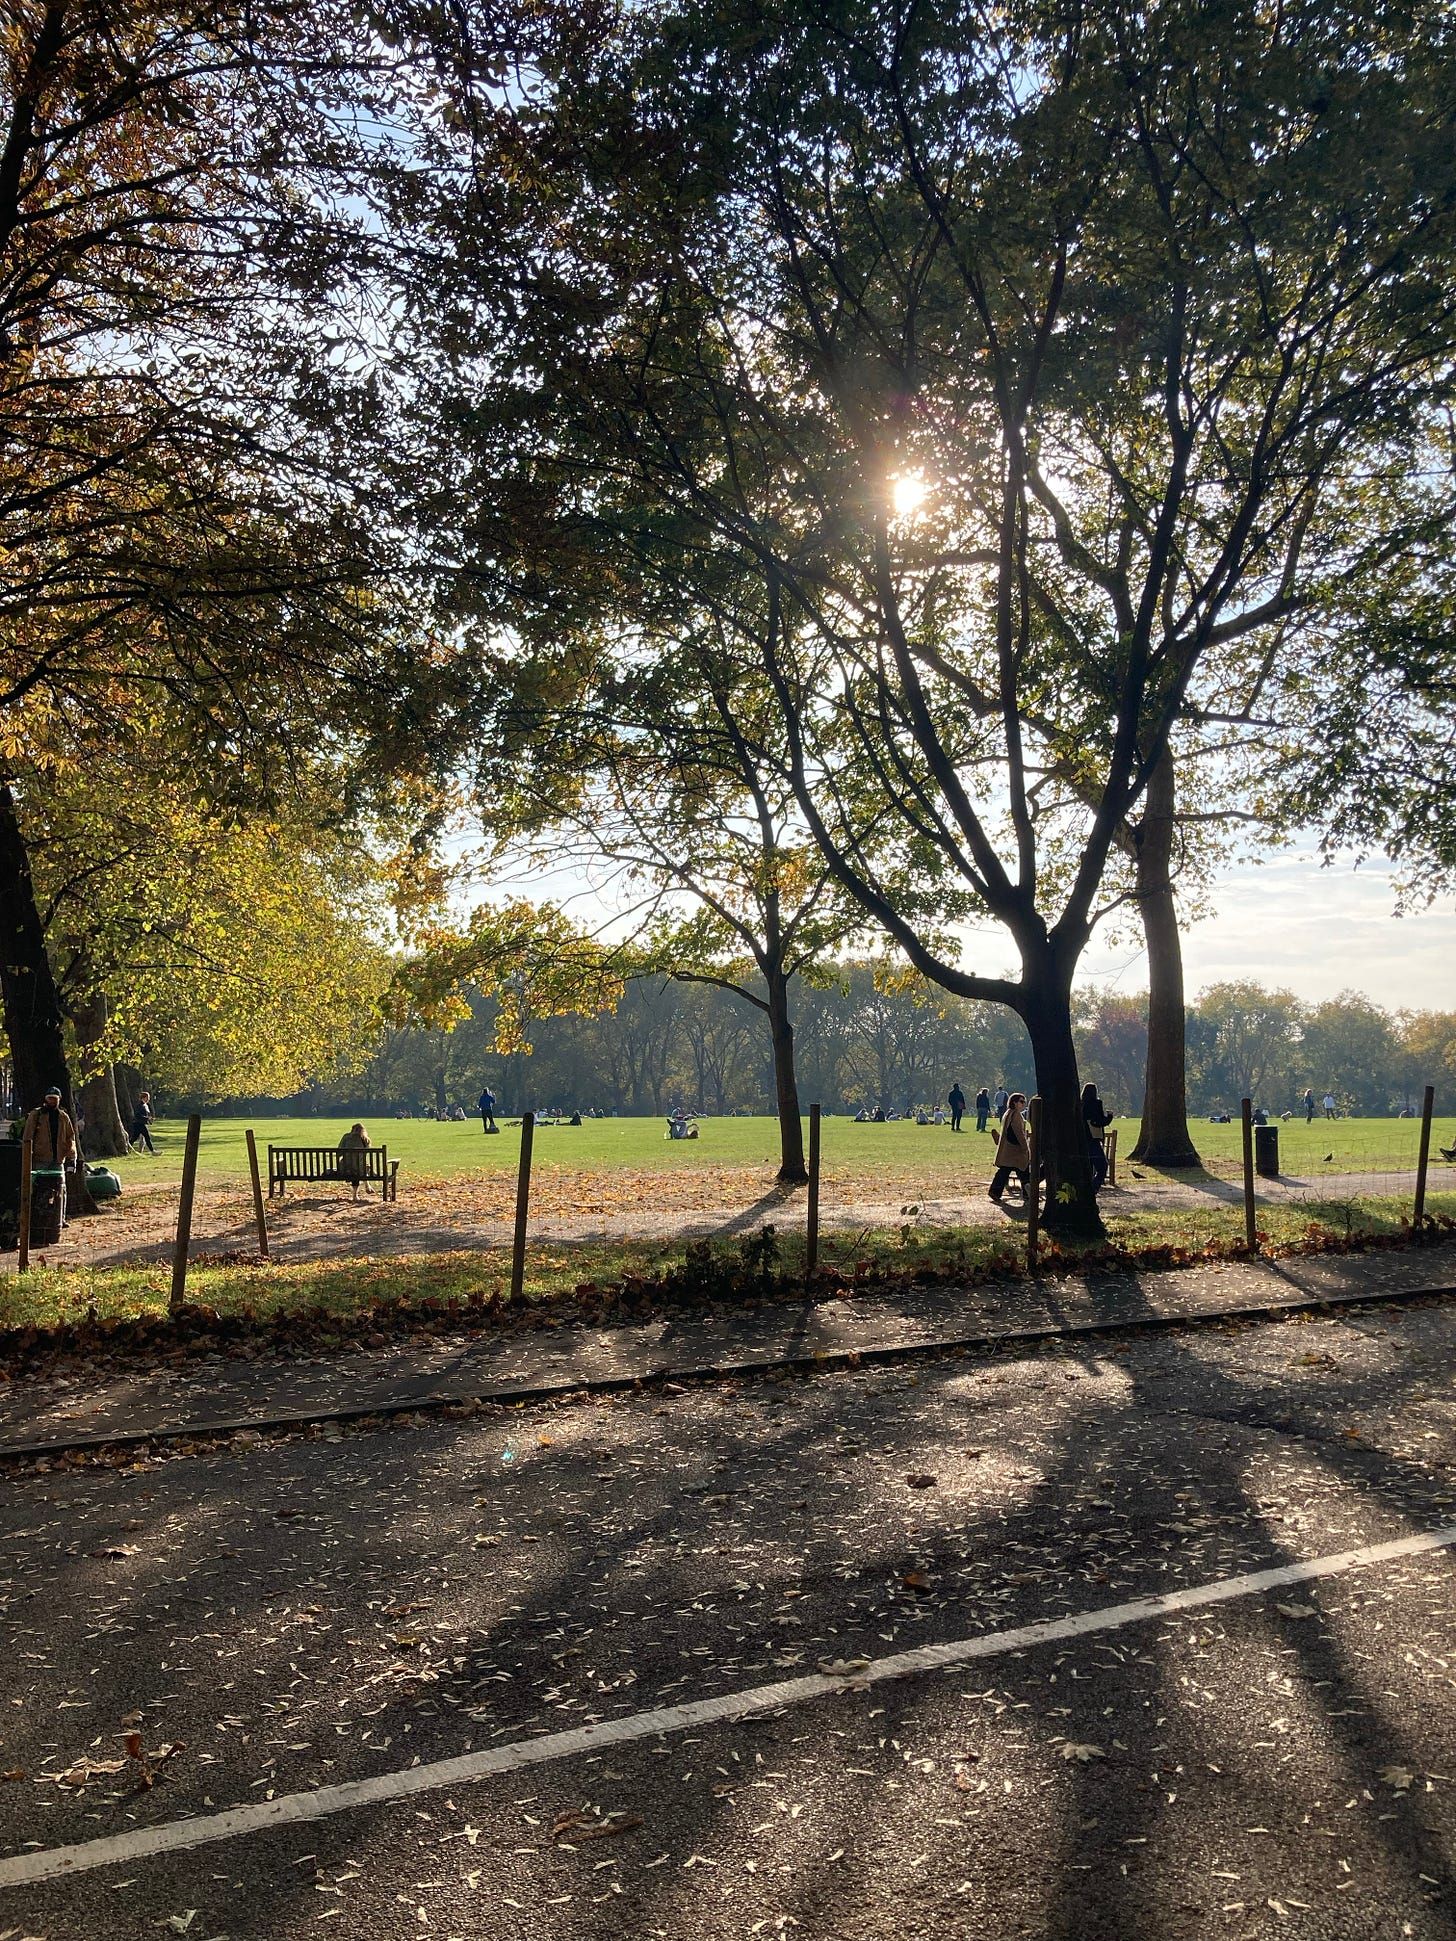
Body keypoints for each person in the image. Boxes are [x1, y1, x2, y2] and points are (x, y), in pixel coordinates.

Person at [23, 1086, 78, 1227]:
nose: (52, 1101)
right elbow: (27, 1137)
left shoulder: (63, 1117)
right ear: (45, 1099)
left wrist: (72, 1158)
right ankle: (32, 1217)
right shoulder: (36, 1115)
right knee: (36, 1189)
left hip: (58, 1160)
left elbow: (70, 1139)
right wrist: (28, 1157)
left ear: (59, 1100)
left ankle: (60, 1218)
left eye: (55, 1099)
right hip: (39, 1159)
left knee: (61, 1189)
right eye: (50, 1098)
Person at [988, 1093, 1031, 1204]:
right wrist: (1025, 1147)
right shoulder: (1016, 1115)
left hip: (1008, 1149)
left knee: (1006, 1171)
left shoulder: (1008, 1113)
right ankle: (1028, 1193)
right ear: (1014, 1102)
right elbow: (1019, 1133)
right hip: (1015, 1150)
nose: (1023, 1104)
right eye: (1021, 1101)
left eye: (1024, 1102)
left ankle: (995, 1191)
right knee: (1023, 1170)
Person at [1081, 1081, 1114, 1190]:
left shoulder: (1081, 1104)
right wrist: (1109, 1117)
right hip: (1093, 1139)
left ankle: (1087, 1189)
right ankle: (1094, 1188)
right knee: (1102, 1166)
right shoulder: (1096, 1103)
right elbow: (1100, 1121)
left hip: (1083, 1139)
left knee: (1088, 1167)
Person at [336, 1123, 372, 1201]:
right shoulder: (365, 1139)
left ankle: (357, 1194)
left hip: (345, 1168)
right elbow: (366, 1152)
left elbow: (339, 1153)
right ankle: (365, 1187)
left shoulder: (346, 1137)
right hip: (360, 1169)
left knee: (354, 1166)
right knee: (362, 1167)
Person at [129, 1089, 157, 1154]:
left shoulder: (145, 1105)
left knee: (134, 1138)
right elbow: (138, 1115)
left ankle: (128, 1147)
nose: (148, 1099)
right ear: (144, 1097)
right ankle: (152, 1151)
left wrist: (149, 1119)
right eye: (147, 1097)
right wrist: (147, 1118)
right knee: (147, 1137)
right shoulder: (140, 1105)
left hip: (140, 1123)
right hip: (139, 1124)